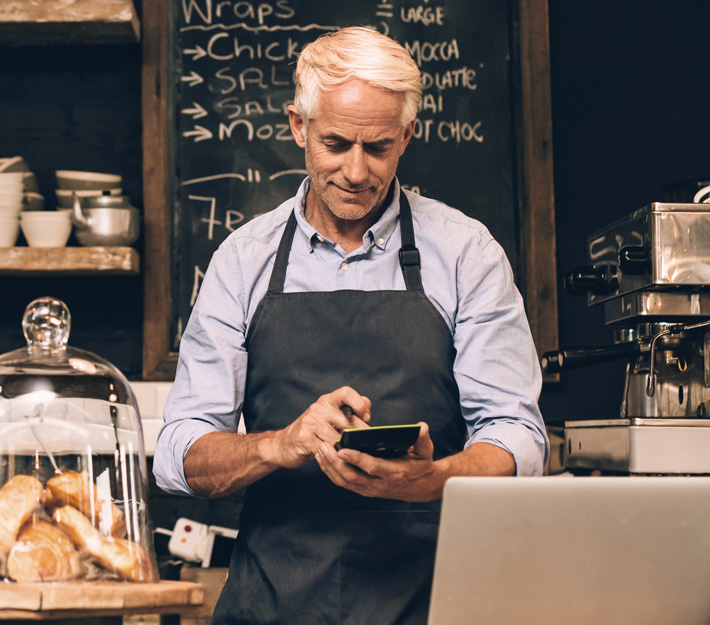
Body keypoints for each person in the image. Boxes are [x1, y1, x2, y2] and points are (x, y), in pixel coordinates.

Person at [154, 25, 549, 625]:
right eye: (336, 144)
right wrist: (279, 444)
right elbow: (180, 453)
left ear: (407, 136)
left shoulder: (466, 253)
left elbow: (518, 436)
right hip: (272, 604)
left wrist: (431, 477)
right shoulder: (243, 259)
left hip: (435, 601)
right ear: (298, 128)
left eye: (380, 147)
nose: (358, 172)